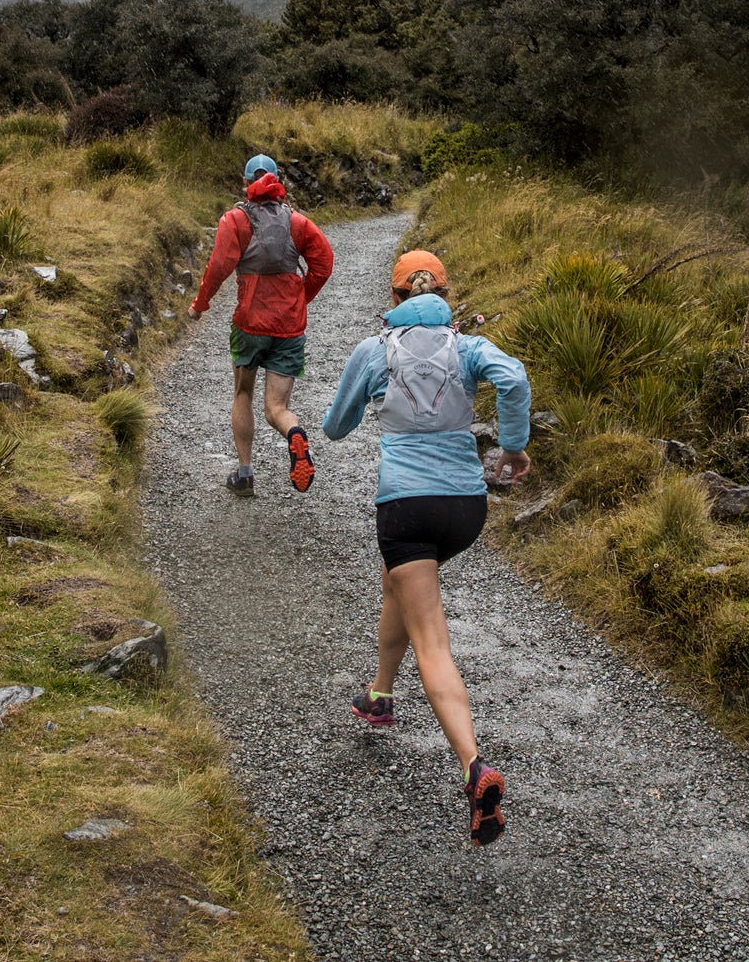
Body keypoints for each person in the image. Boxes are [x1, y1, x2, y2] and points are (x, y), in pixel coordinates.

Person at [321, 249, 531, 846]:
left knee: (431, 639)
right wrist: (513, 448)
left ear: (394, 298)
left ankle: (474, 768)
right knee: (401, 587)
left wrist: (369, 403)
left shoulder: (374, 348)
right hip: (466, 508)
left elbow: (336, 427)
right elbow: (513, 377)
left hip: (407, 509)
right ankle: (380, 695)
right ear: (443, 291)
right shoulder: (465, 347)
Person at [188, 154, 334, 496]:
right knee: (276, 408)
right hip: (289, 328)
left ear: (245, 182)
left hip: (249, 326)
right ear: (279, 183)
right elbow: (324, 265)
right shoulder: (298, 222)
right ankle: (296, 436)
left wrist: (199, 306)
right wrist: (299, 299)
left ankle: (245, 475)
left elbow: (218, 268)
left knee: (243, 392)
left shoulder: (235, 219)